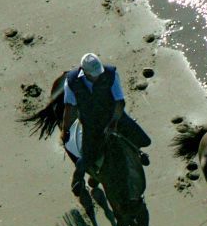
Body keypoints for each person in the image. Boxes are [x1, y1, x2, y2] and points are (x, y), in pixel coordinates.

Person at [59, 53, 151, 197]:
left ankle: (137, 152)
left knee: (144, 140)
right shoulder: (71, 81)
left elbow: (119, 102)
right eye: (93, 74)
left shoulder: (110, 74)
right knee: (87, 157)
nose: (97, 76)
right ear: (85, 71)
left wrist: (113, 122)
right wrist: (65, 129)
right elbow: (70, 107)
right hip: (91, 124)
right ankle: (78, 179)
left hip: (114, 116)